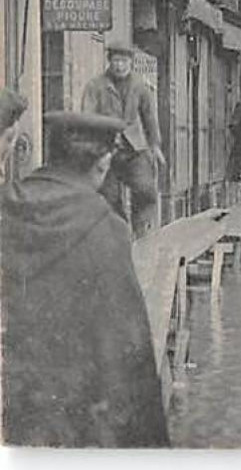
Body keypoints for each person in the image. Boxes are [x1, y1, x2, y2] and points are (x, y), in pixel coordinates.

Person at [2, 111, 170, 446]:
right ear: (102, 164)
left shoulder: (9, 206)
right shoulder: (106, 227)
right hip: (76, 418)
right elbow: (127, 349)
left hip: (18, 406)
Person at [80, 41, 163, 238]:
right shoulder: (96, 86)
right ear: (109, 61)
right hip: (106, 150)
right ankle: (120, 234)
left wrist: (155, 146)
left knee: (146, 189)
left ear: (131, 62)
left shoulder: (139, 85)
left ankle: (141, 230)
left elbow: (149, 116)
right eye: (116, 61)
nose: (120, 66)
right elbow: (87, 118)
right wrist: (92, 148)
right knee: (108, 197)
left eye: (124, 61)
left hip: (134, 148)